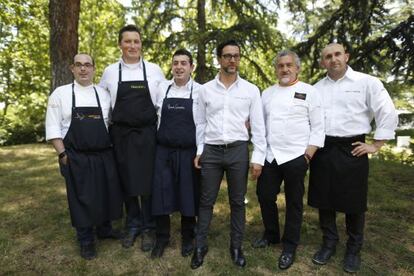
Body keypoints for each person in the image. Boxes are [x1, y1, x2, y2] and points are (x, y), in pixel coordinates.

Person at [308, 43, 398, 273]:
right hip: (324, 147)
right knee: (324, 198)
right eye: (328, 56)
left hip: (353, 147)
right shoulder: (316, 88)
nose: (333, 59)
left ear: (346, 56)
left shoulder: (367, 82)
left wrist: (376, 144)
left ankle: (353, 248)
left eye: (337, 54)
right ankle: (329, 243)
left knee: (354, 201)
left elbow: (387, 111)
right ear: (323, 62)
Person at [190, 40, 266, 269]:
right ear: (219, 59)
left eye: (236, 56)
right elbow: (200, 123)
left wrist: (258, 158)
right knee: (206, 201)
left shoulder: (251, 90)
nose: (232, 60)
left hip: (238, 151)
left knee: (238, 202)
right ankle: (200, 246)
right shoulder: (205, 91)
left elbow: (259, 127)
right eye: (227, 56)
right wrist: (200, 151)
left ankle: (236, 246)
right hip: (211, 151)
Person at [45, 54, 123, 260]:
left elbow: (111, 124)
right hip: (76, 155)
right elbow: (53, 127)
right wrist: (63, 154)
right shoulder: (60, 94)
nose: (83, 69)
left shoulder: (103, 94)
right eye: (78, 65)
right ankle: (86, 239)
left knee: (105, 193)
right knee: (82, 197)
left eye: (87, 65)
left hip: (103, 153)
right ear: (72, 68)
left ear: (94, 69)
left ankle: (104, 230)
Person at [254, 50, 325, 270]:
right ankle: (272, 234)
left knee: (294, 202)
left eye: (289, 65)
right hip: (271, 156)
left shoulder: (309, 92)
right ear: (275, 69)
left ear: (297, 68)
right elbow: (259, 125)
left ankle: (290, 245)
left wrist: (307, 155)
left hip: (296, 156)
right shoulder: (266, 93)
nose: (284, 69)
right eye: (280, 66)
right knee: (264, 195)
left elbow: (319, 126)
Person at [99, 25, 165, 252]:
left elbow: (161, 106)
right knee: (125, 180)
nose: (132, 46)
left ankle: (148, 226)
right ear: (120, 45)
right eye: (127, 41)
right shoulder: (109, 72)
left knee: (147, 182)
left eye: (136, 41)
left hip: (147, 133)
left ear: (141, 44)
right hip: (121, 134)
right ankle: (132, 223)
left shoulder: (155, 71)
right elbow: (104, 107)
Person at [150, 49, 203, 259]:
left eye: (183, 63)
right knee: (161, 192)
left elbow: (203, 124)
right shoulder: (161, 89)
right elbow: (152, 117)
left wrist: (201, 151)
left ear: (192, 67)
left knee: (188, 194)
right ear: (171, 66)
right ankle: (162, 237)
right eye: (175, 63)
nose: (179, 66)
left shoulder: (200, 91)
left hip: (189, 151)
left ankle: (188, 236)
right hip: (163, 150)